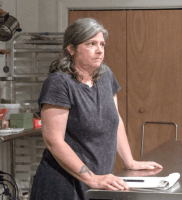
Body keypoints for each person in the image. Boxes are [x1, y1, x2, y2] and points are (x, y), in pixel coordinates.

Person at [30, 18, 162, 200]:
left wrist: (130, 161)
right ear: (71, 49)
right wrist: (91, 178)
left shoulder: (106, 76)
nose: (100, 50)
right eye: (91, 44)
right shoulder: (59, 83)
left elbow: (116, 121)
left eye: (102, 44)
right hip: (64, 185)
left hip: (97, 182)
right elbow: (54, 141)